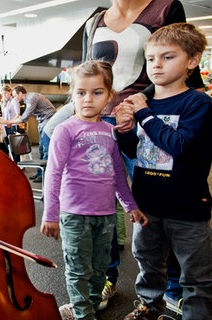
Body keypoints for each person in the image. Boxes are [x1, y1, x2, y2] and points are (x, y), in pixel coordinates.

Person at [44, 0, 207, 309]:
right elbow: (85, 70)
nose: (158, 61)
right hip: (99, 117)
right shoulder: (97, 18)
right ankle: (104, 280)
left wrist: (143, 108)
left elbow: (176, 52)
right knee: (97, 198)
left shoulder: (164, 8)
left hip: (139, 114)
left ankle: (173, 289)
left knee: (158, 202)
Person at [115, 22, 212, 320]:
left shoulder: (198, 103)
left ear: (192, 61)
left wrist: (144, 113)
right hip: (148, 205)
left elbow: (180, 146)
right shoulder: (143, 101)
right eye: (151, 58)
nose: (156, 65)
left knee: (196, 275)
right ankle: (148, 307)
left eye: (168, 57)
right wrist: (126, 130)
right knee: (148, 264)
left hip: (187, 209)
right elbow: (135, 151)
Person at [40, 60, 146, 320]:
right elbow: (53, 173)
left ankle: (86, 305)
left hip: (106, 214)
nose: (88, 99)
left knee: (100, 270)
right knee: (78, 269)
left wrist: (130, 205)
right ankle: (83, 314)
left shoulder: (110, 131)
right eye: (81, 93)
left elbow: (118, 174)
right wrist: (50, 213)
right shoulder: (65, 130)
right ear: (73, 94)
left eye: (97, 92)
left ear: (109, 96)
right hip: (74, 215)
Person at [2, 85, 56, 182]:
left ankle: (46, 176)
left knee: (46, 149)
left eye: (15, 96)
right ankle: (40, 173)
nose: (14, 98)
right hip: (43, 122)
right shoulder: (28, 100)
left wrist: (8, 122)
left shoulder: (32, 98)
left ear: (20, 93)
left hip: (49, 121)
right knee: (41, 148)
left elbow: (24, 117)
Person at [0, 85, 22, 162]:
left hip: (12, 126)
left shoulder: (14, 101)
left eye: (5, 93)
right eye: (3, 94)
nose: (4, 95)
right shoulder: (5, 103)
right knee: (7, 148)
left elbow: (18, 114)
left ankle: (17, 165)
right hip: (5, 127)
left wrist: (11, 122)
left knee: (14, 149)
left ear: (10, 92)